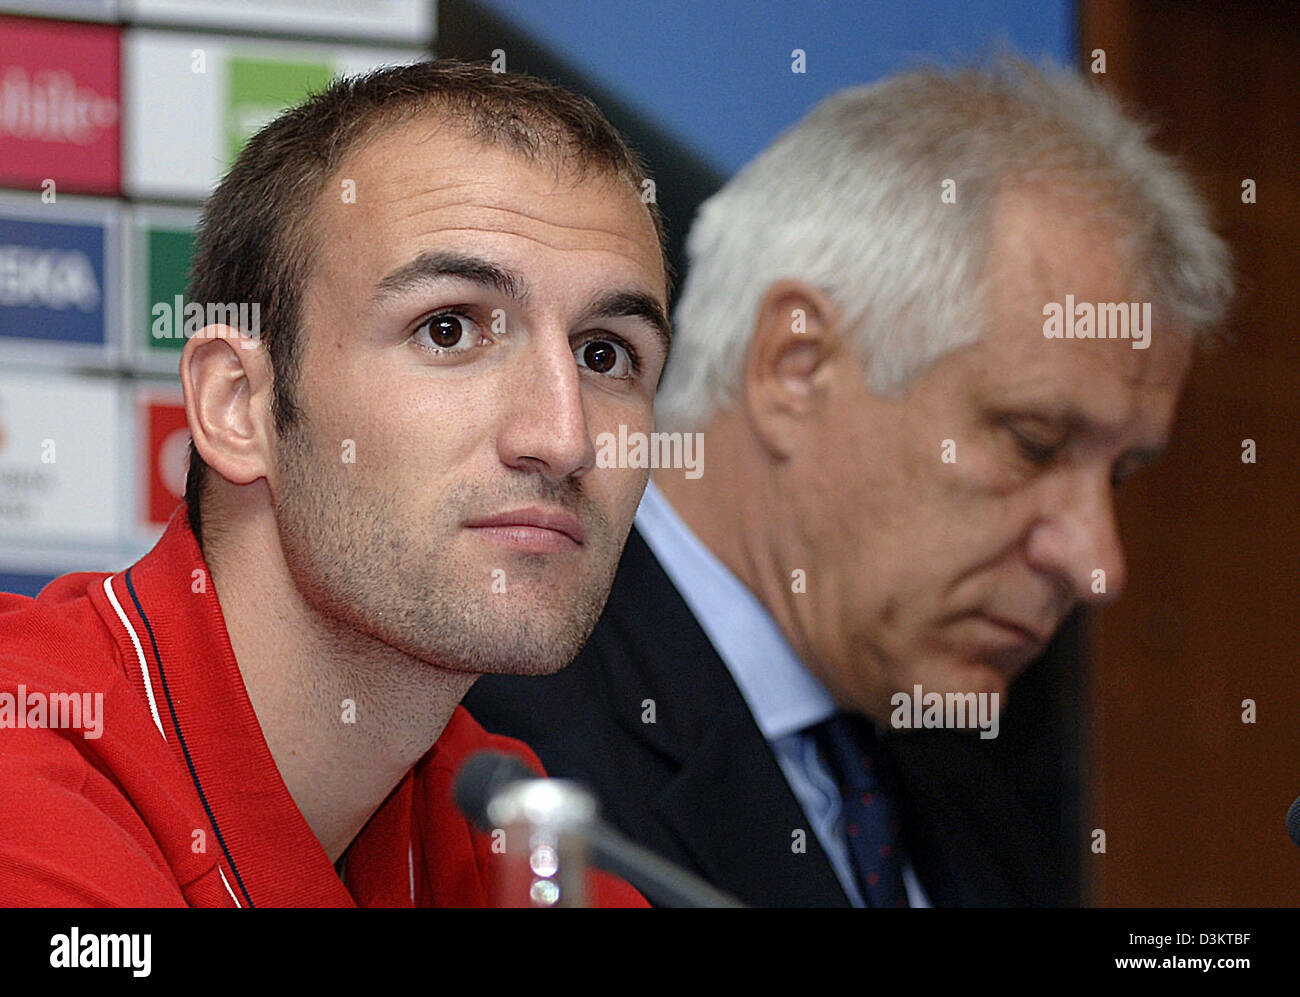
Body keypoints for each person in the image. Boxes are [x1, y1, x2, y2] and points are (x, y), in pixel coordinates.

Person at [465, 60, 1233, 907]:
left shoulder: (971, 771)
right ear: (796, 367)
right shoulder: (500, 728)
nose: (1096, 563)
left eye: (1118, 474)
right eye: (1033, 442)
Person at [0, 61, 672, 907]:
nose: (562, 437)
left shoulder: (498, 826)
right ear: (237, 404)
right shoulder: (25, 769)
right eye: (450, 327)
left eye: (604, 353)